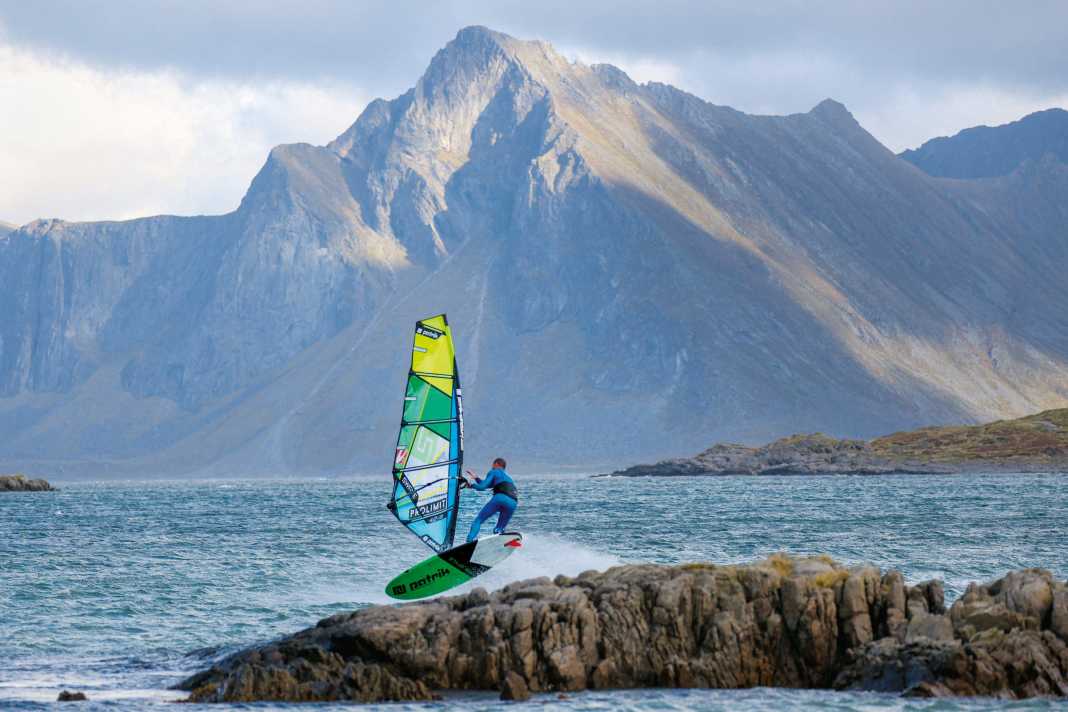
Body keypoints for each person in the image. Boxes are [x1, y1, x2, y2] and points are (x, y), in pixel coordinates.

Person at [463, 457, 518, 542]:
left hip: (500, 498)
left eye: (492, 464)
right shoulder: (507, 478)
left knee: (478, 520)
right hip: (513, 502)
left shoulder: (494, 471)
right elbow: (487, 484)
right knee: (499, 529)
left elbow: (482, 487)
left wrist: (471, 485)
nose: (491, 466)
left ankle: (469, 542)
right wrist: (476, 478)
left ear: (496, 464)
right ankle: (499, 543)